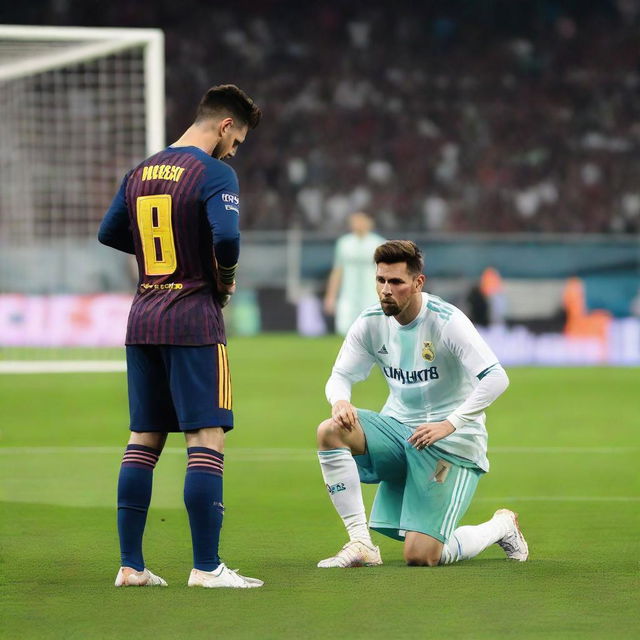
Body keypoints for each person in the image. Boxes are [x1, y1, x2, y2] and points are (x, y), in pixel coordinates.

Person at [98, 84, 263, 588]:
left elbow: (109, 232)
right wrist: (225, 277)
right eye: (237, 141)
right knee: (205, 439)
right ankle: (207, 567)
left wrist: (158, 250)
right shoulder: (214, 173)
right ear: (225, 125)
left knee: (143, 440)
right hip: (192, 319)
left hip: (143, 317)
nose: (235, 151)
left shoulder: (140, 171)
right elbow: (228, 238)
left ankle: (131, 565)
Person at [316, 240, 528, 568]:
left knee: (421, 555)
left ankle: (500, 526)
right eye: (381, 280)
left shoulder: (446, 321)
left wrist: (449, 424)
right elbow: (340, 375)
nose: (386, 290)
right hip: (400, 433)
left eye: (396, 282)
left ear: (418, 283)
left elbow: (496, 377)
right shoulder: (370, 321)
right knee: (330, 431)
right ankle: (361, 542)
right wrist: (340, 400)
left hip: (452, 444)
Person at [323, 212, 386, 335]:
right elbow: (337, 271)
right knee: (344, 329)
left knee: (373, 331)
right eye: (355, 221)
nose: (358, 224)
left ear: (369, 223)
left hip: (372, 294)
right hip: (348, 294)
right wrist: (330, 297)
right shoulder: (344, 243)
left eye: (361, 220)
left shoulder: (379, 243)